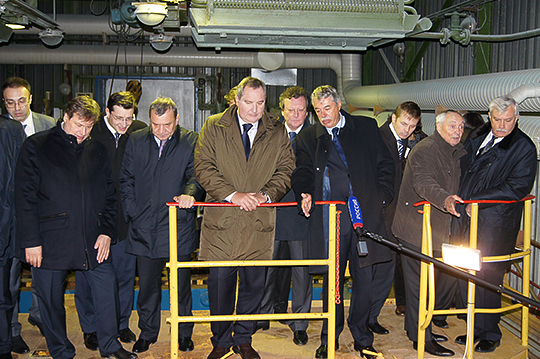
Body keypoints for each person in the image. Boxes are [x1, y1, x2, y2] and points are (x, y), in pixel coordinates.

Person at [15, 96, 137, 359]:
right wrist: (30, 241)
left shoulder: (97, 150)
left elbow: (110, 196)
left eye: (89, 127)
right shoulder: (37, 146)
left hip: (91, 238)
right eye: (78, 125)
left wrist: (106, 232)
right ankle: (60, 350)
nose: (83, 133)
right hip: (49, 240)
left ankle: (111, 345)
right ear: (66, 117)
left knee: (107, 287)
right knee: (50, 301)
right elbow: (24, 198)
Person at [194, 76, 295, 359]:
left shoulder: (276, 130)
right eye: (249, 102)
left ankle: (244, 339)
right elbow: (203, 166)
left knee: (254, 285)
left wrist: (265, 195)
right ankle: (222, 340)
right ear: (236, 100)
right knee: (220, 287)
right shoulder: (215, 125)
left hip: (258, 220)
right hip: (223, 220)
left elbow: (286, 169)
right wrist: (232, 194)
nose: (254, 109)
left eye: (260, 103)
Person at [292, 85, 394, 359]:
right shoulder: (308, 136)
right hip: (329, 220)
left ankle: (362, 338)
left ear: (339, 105)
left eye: (327, 108)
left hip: (363, 218)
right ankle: (329, 337)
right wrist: (304, 191)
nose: (323, 115)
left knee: (364, 280)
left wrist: (381, 198)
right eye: (318, 110)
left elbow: (386, 165)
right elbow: (301, 170)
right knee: (332, 281)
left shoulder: (366, 127)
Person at [452, 96, 536, 353]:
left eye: (507, 120)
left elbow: (516, 187)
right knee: (469, 273)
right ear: (490, 117)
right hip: (468, 217)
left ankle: (490, 332)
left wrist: (475, 201)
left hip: (494, 222)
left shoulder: (523, 148)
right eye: (497, 119)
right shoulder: (479, 136)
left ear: (517, 118)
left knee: (489, 276)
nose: (501, 125)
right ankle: (474, 328)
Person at [120, 96, 204, 354]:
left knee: (180, 286)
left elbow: (197, 176)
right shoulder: (135, 140)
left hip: (177, 225)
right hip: (143, 228)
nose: (162, 130)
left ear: (177, 120)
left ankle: (183, 333)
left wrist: (190, 193)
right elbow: (126, 180)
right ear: (149, 120)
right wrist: (134, 212)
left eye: (167, 124)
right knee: (147, 287)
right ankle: (148, 332)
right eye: (156, 124)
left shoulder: (191, 140)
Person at [74, 92, 146, 351]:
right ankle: (90, 328)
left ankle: (120, 323)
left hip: (126, 220)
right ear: (107, 112)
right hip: (95, 220)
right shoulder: (92, 133)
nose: (124, 124)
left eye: (129, 118)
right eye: (118, 118)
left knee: (126, 275)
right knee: (89, 277)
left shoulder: (139, 132)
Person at [392, 110, 467, 357]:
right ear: (439, 127)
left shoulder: (451, 150)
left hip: (434, 229)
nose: (458, 131)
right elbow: (423, 183)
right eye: (453, 126)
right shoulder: (426, 149)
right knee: (419, 287)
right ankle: (420, 338)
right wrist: (445, 199)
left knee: (426, 284)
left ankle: (418, 328)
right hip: (415, 229)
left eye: (461, 127)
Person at [2, 77, 55, 353]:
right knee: (10, 280)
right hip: (11, 217)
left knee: (43, 273)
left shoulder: (48, 125)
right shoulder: (2, 130)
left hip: (43, 215)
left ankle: (39, 315)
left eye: (21, 101)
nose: (17, 108)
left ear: (31, 98)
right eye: (10, 103)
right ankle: (11, 331)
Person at [258, 86, 312, 346]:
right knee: (265, 267)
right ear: (282, 110)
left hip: (302, 213)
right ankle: (261, 314)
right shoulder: (269, 135)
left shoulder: (314, 136)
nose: (296, 115)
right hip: (271, 210)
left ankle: (300, 324)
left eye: (301, 110)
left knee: (302, 271)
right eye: (291, 110)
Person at [373, 102, 421, 331]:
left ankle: (372, 316)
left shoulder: (411, 142)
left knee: (390, 267)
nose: (407, 130)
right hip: (381, 214)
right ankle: (369, 317)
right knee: (379, 268)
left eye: (412, 126)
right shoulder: (378, 138)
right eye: (404, 123)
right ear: (393, 118)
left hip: (400, 215)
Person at [0, 114, 25, 359]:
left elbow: (16, 184)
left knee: (6, 291)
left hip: (6, 227)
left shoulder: (10, 131)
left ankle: (6, 342)